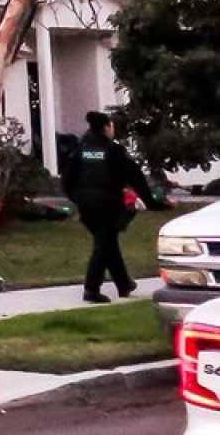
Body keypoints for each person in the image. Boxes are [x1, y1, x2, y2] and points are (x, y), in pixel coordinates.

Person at [61, 110, 166, 304]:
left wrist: (79, 199)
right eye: (112, 126)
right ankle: (91, 289)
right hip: (107, 205)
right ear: (106, 128)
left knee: (107, 243)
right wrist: (152, 202)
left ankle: (124, 283)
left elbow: (66, 180)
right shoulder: (113, 150)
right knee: (103, 245)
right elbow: (135, 176)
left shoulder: (81, 150)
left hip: (86, 207)